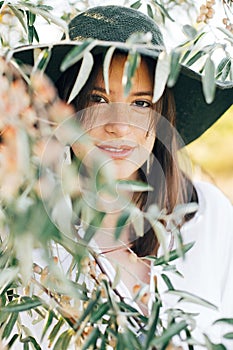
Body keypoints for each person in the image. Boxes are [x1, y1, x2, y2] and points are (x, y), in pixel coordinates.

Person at [12, 5, 233, 349]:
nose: (119, 125)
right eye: (98, 99)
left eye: (141, 104)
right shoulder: (28, 243)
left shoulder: (209, 217)